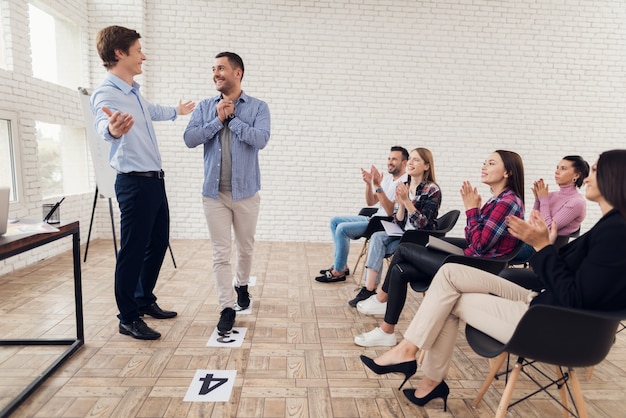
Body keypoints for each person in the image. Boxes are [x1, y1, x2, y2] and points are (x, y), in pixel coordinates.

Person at [359, 149, 626, 411]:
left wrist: (543, 246)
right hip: (544, 303)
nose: (587, 179)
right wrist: (540, 243)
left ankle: (418, 364)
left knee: (448, 295)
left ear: (614, 177)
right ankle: (413, 359)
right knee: (448, 275)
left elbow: (572, 296)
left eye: (593, 171)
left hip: (550, 323)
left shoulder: (615, 233)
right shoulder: (611, 225)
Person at [355, 150, 525, 347]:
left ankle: (381, 298)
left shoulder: (507, 202)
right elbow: (472, 239)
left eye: (491, 163)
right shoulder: (497, 200)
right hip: (472, 256)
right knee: (401, 270)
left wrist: (471, 210)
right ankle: (387, 331)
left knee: (404, 250)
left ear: (507, 173)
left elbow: (478, 245)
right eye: (484, 162)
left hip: (479, 266)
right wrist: (475, 211)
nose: (484, 166)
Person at [91, 26, 195, 340]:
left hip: (153, 182)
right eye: (138, 50)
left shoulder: (133, 91)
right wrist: (112, 130)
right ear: (120, 53)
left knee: (158, 242)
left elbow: (153, 112)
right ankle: (128, 317)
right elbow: (102, 124)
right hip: (134, 183)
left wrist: (177, 111)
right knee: (133, 252)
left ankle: (144, 299)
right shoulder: (107, 93)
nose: (143, 56)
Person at [183, 52, 270, 334]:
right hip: (213, 194)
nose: (215, 73)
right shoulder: (206, 107)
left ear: (237, 73)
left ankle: (242, 285)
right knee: (220, 254)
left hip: (246, 194)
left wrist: (232, 120)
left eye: (221, 68)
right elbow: (189, 139)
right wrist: (217, 121)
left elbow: (260, 140)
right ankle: (226, 307)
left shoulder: (258, 107)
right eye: (213, 69)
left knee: (245, 248)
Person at [348, 148, 441, 307]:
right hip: (402, 234)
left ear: (426, 166)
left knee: (379, 240)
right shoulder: (405, 185)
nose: (411, 162)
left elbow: (423, 224)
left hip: (418, 238)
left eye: (416, 160)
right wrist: (402, 206)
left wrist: (406, 202)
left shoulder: (432, 189)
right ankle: (369, 289)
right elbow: (399, 220)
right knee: (377, 236)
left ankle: (378, 294)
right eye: (410, 159)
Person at [315, 146, 409, 283]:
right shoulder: (388, 180)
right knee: (335, 221)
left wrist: (377, 185)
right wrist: (369, 184)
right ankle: (341, 265)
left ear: (404, 163)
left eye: (394, 159)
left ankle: (338, 271)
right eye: (389, 158)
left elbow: (389, 212)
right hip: (374, 218)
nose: (390, 162)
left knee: (342, 229)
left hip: (383, 224)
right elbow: (371, 202)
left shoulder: (404, 183)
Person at [513, 155, 589, 262]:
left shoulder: (577, 202)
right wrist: (538, 200)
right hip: (529, 240)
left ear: (576, 175)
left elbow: (547, 228)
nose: (557, 172)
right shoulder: (551, 195)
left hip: (540, 247)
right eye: (557, 168)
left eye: (563, 168)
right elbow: (532, 222)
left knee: (495, 251)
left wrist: (543, 199)